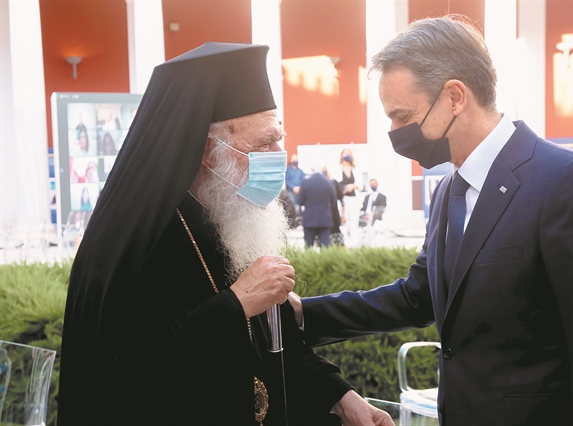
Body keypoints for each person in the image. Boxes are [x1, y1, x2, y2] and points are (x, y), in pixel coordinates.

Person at [290, 16, 573, 426]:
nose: (394, 132)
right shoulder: (447, 191)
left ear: (455, 97)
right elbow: (418, 297)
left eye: (402, 115)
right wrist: (304, 314)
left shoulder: (570, 181)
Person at [57, 42, 392, 426]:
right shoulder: (137, 241)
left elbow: (280, 344)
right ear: (205, 150)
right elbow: (128, 371)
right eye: (263, 142)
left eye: (279, 138)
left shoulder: (233, 215)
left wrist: (341, 397)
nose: (278, 153)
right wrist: (236, 303)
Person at [297, 161, 337, 248]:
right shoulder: (329, 182)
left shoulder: (305, 182)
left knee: (308, 247)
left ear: (311, 169)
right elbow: (334, 201)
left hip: (309, 218)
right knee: (325, 248)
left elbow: (299, 201)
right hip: (325, 219)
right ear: (322, 169)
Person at [338, 148, 362, 243]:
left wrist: (353, 186)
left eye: (349, 153)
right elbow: (335, 183)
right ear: (341, 156)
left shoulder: (355, 169)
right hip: (343, 199)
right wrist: (343, 189)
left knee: (354, 220)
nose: (347, 155)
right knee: (344, 220)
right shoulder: (337, 169)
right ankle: (345, 241)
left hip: (354, 198)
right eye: (345, 153)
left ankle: (354, 241)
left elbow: (360, 184)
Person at [285, 153, 306, 218]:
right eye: (294, 159)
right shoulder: (288, 170)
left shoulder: (300, 171)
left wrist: (299, 188)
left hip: (299, 192)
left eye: (296, 159)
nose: (295, 161)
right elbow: (287, 181)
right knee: (291, 206)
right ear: (291, 160)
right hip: (290, 192)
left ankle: (298, 219)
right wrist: (293, 188)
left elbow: (303, 180)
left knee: (298, 206)